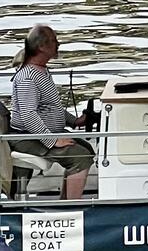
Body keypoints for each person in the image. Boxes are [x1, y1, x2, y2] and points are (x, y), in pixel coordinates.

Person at [10, 24, 94, 200]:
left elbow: (52, 106)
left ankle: (65, 200)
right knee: (80, 157)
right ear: (41, 46)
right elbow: (28, 115)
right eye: (54, 41)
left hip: (44, 133)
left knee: (86, 148)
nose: (58, 44)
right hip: (27, 137)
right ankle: (71, 207)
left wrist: (75, 121)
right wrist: (53, 140)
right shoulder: (27, 77)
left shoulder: (42, 71)